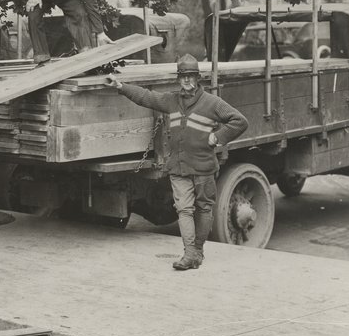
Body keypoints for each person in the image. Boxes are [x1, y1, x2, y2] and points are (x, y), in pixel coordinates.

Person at [103, 55, 249, 270]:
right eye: (183, 77)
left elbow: (239, 121)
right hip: (178, 167)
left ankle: (198, 250)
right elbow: (146, 97)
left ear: (197, 78)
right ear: (178, 79)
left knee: (204, 209)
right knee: (184, 209)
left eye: (190, 76)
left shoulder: (212, 103)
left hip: (203, 168)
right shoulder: (171, 101)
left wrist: (217, 137)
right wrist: (121, 86)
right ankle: (190, 253)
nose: (187, 81)